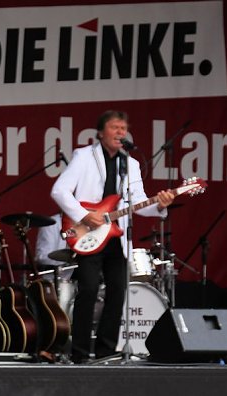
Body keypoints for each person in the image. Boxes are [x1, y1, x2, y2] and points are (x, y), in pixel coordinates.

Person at [50, 110, 174, 363]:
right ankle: (81, 353)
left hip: (116, 236)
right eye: (115, 127)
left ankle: (106, 352)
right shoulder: (83, 156)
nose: (120, 132)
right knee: (88, 289)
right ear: (100, 132)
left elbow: (138, 202)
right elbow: (59, 191)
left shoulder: (131, 163)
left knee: (118, 291)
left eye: (123, 128)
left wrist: (160, 205)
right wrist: (84, 215)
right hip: (90, 233)